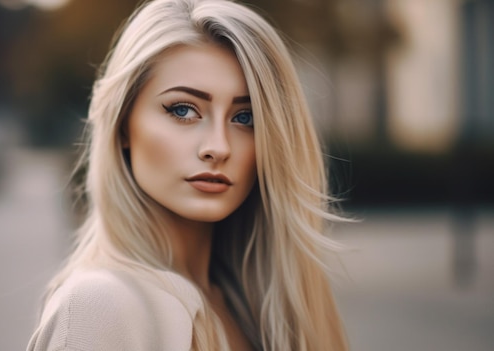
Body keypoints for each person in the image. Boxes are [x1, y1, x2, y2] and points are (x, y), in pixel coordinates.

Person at [27, 0, 348, 350]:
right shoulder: (101, 307)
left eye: (245, 118)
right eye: (183, 110)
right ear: (122, 125)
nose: (218, 147)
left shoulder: (261, 307)